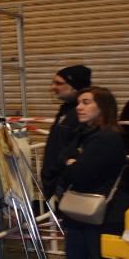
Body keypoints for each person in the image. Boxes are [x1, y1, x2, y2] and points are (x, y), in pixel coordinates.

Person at [37, 87, 129, 259]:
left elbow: (81, 174)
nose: (79, 107)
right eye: (79, 102)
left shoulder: (107, 138)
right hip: (79, 211)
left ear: (102, 107)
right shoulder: (83, 134)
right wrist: (71, 163)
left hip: (104, 214)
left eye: (86, 102)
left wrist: (72, 165)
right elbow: (60, 160)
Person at [41, 65, 91, 201]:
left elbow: (76, 150)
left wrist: (61, 179)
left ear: (75, 86)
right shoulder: (66, 110)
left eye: (59, 83)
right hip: (56, 183)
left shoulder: (81, 114)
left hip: (66, 186)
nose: (53, 87)